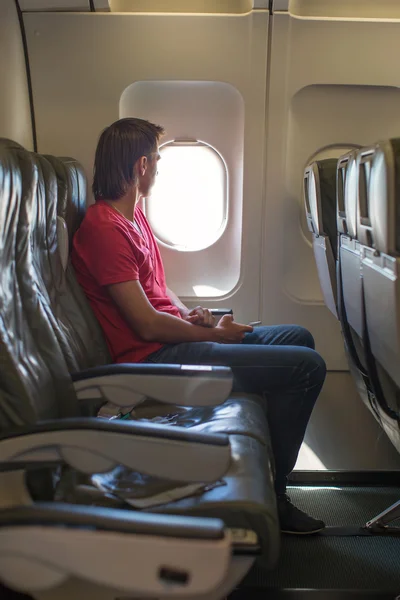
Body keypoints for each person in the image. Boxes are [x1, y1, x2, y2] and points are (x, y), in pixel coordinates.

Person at [72, 117, 327, 535]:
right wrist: (212, 334)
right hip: (152, 359)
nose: (158, 168)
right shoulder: (104, 228)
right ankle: (276, 497)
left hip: (173, 339)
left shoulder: (134, 218)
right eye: (156, 160)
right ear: (141, 165)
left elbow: (160, 293)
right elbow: (146, 326)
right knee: (307, 367)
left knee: (298, 338)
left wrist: (195, 313)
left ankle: (267, 478)